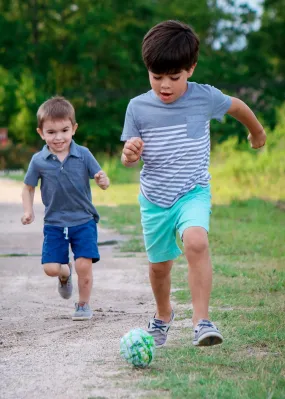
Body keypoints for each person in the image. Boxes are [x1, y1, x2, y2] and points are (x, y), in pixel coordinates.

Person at [121, 20, 266, 347]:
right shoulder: (138, 107)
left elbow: (239, 107)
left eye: (174, 77)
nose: (165, 86)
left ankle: (202, 321)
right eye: (156, 77)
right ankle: (163, 315)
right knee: (160, 268)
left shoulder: (205, 97)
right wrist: (129, 155)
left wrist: (256, 133)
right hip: (155, 200)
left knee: (197, 242)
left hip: (193, 192)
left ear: (191, 69)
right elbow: (128, 153)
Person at [21, 96, 110, 320]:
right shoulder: (38, 160)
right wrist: (28, 211)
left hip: (84, 220)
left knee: (84, 265)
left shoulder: (84, 155)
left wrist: (102, 181)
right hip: (55, 223)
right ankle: (64, 273)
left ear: (74, 129)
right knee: (51, 267)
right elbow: (28, 187)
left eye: (64, 130)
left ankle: (83, 305)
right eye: (51, 132)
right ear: (41, 133)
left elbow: (102, 178)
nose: (59, 137)